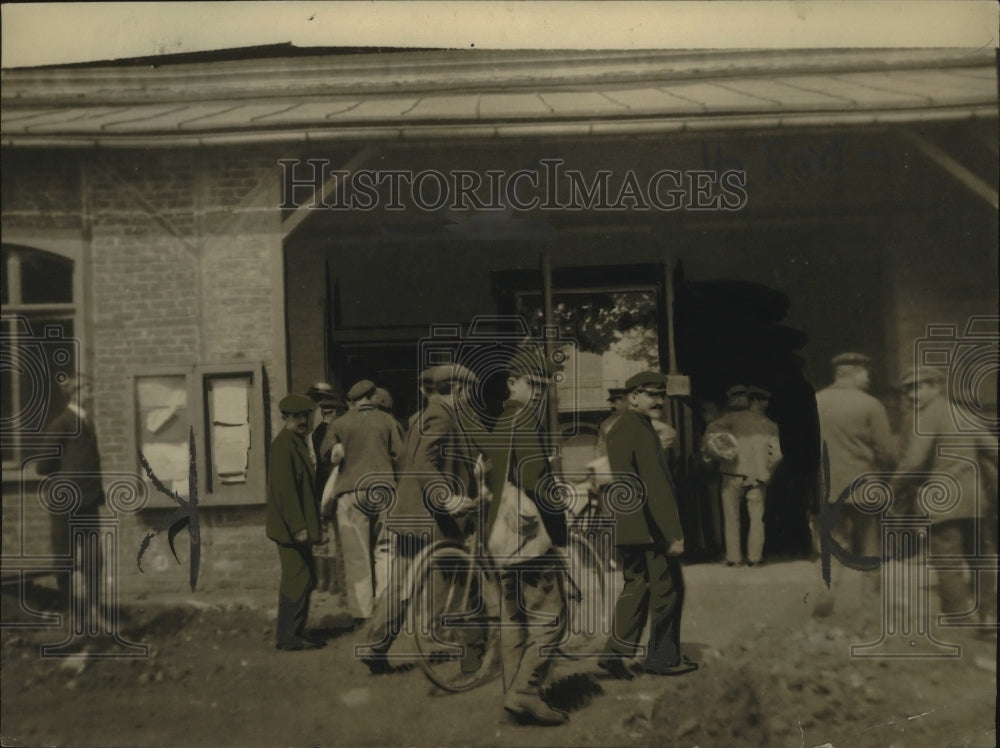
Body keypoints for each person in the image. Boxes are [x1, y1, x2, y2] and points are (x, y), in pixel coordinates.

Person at [362, 364, 482, 671]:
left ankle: (376, 645)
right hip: (433, 519)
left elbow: (413, 461)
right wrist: (448, 497)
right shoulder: (441, 415)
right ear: (456, 389)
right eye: (468, 391)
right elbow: (423, 461)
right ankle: (434, 644)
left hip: (411, 516)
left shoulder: (422, 417)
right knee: (438, 583)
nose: (471, 397)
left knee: (402, 584)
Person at [484, 350, 570, 726]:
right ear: (512, 382)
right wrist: (561, 531)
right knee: (551, 616)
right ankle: (526, 693)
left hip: (500, 539)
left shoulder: (502, 421)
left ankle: (513, 694)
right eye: (532, 383)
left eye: (544, 385)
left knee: (514, 619)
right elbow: (536, 480)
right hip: (528, 539)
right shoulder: (524, 419)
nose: (538, 392)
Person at [598, 371, 697, 680]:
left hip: (629, 524)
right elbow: (655, 486)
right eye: (650, 394)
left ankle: (615, 651)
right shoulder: (641, 430)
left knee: (636, 586)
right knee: (669, 590)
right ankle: (663, 659)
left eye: (661, 394)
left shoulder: (618, 428)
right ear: (633, 397)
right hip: (650, 527)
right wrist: (673, 533)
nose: (658, 401)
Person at [891, 366, 997, 627]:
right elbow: (995, 450)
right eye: (908, 390)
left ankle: (958, 618)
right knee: (980, 557)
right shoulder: (963, 413)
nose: (912, 395)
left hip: (943, 500)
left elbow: (914, 461)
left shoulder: (927, 415)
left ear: (937, 387)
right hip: (975, 501)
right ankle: (989, 615)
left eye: (918, 387)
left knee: (946, 558)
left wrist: (891, 489)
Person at [813, 353, 896, 615]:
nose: (869, 378)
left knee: (832, 545)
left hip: (828, 488)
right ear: (856, 372)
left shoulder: (815, 402)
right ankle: (871, 607)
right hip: (864, 488)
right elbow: (887, 451)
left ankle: (825, 601)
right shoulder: (870, 405)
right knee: (870, 547)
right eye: (866, 373)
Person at [319, 379, 405, 621]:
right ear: (373, 396)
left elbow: (326, 453)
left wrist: (338, 448)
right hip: (385, 490)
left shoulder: (340, 423)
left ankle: (363, 614)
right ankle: (387, 611)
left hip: (351, 492)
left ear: (352, 401)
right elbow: (401, 457)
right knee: (386, 550)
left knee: (357, 555)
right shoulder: (388, 421)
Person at [37, 374, 105, 618]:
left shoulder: (87, 421)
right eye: (89, 389)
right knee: (65, 558)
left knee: (94, 558)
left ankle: (95, 611)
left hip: (88, 502)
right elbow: (43, 465)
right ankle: (70, 613)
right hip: (66, 504)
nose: (92, 394)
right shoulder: (63, 423)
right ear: (76, 392)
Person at [265, 394, 325, 651]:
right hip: (290, 529)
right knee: (296, 578)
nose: (302, 421)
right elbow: (285, 491)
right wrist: (299, 527)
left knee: (306, 577)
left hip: (296, 527)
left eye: (305, 416)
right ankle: (288, 636)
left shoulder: (296, 442)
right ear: (285, 419)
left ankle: (297, 630)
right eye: (296, 417)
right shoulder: (283, 446)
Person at [703, 385, 782, 567]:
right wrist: (767, 473)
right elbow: (777, 455)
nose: (767, 404)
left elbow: (710, 431)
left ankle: (734, 558)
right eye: (765, 400)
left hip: (732, 474)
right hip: (758, 478)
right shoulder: (771, 425)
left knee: (731, 518)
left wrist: (722, 449)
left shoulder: (731, 419)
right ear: (758, 401)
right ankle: (754, 559)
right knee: (757, 519)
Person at [596, 387, 628, 457]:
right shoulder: (605, 423)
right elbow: (600, 446)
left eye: (614, 401)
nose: (611, 405)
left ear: (625, 402)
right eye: (611, 402)